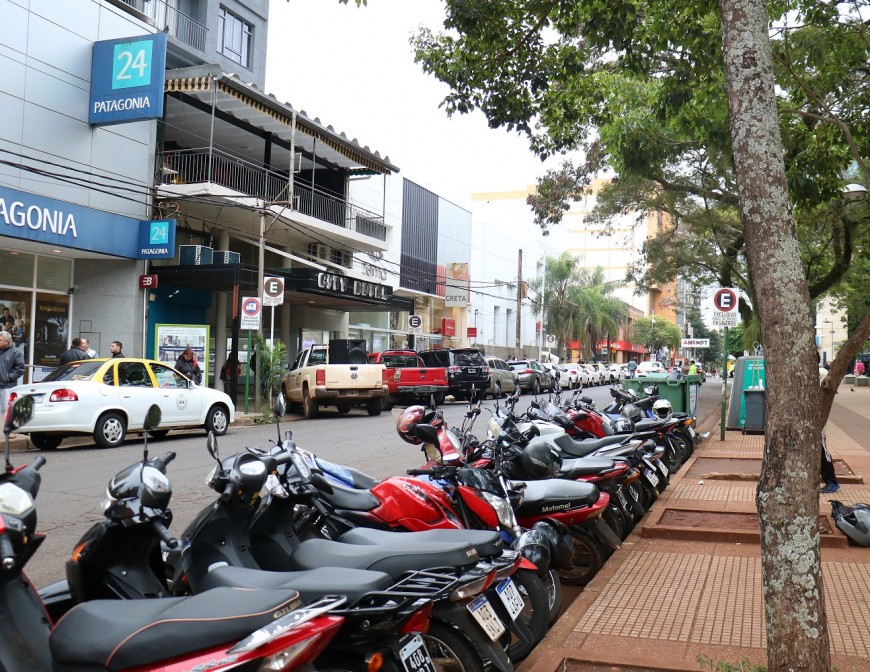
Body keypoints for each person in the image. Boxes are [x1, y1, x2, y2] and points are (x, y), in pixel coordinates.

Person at [0, 330, 25, 418]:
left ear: (7, 341)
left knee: (8, 411)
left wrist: (8, 377)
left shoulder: (16, 352)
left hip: (7, 387)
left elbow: (20, 368)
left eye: (0, 340)